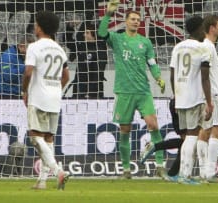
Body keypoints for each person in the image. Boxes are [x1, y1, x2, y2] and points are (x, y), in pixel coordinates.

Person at [98, 0, 166, 179]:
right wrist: (108, 15)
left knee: (153, 125)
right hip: (124, 92)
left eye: (138, 19)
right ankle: (126, 170)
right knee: (125, 130)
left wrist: (158, 77)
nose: (136, 21)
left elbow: (152, 63)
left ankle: (160, 165)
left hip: (143, 92)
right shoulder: (117, 39)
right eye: (133, 19)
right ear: (126, 21)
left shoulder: (146, 42)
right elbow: (101, 33)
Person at [22, 10, 70, 190]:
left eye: (36, 24)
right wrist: (56, 88)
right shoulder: (59, 48)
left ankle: (58, 170)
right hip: (55, 97)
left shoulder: (34, 47)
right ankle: (41, 181)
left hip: (39, 96)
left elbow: (28, 72)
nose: (34, 27)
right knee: (48, 139)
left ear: (40, 27)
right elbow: (66, 75)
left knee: (35, 138)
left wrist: (24, 91)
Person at [170, 16, 213, 184]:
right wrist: (209, 102)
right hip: (195, 97)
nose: (205, 31)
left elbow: (173, 75)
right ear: (197, 29)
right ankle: (185, 175)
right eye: (203, 28)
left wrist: (176, 96)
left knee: (188, 135)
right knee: (192, 136)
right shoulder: (203, 49)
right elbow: (205, 78)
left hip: (180, 97)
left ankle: (183, 173)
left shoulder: (178, 47)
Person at [196, 15, 218, 183]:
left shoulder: (207, 46)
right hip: (211, 95)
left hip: (212, 93)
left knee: (205, 131)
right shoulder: (208, 47)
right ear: (211, 28)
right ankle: (209, 172)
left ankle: (203, 171)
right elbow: (204, 74)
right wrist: (212, 98)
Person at [139, 97, 185, 182]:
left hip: (181, 102)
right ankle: (155, 147)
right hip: (185, 103)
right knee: (189, 141)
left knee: (187, 142)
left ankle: (173, 173)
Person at [72, 23, 107, 99]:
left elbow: (99, 70)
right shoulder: (81, 46)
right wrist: (69, 27)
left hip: (94, 89)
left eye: (87, 33)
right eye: (84, 32)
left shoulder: (100, 48)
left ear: (94, 34)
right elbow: (69, 41)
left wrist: (90, 91)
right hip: (79, 86)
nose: (84, 35)